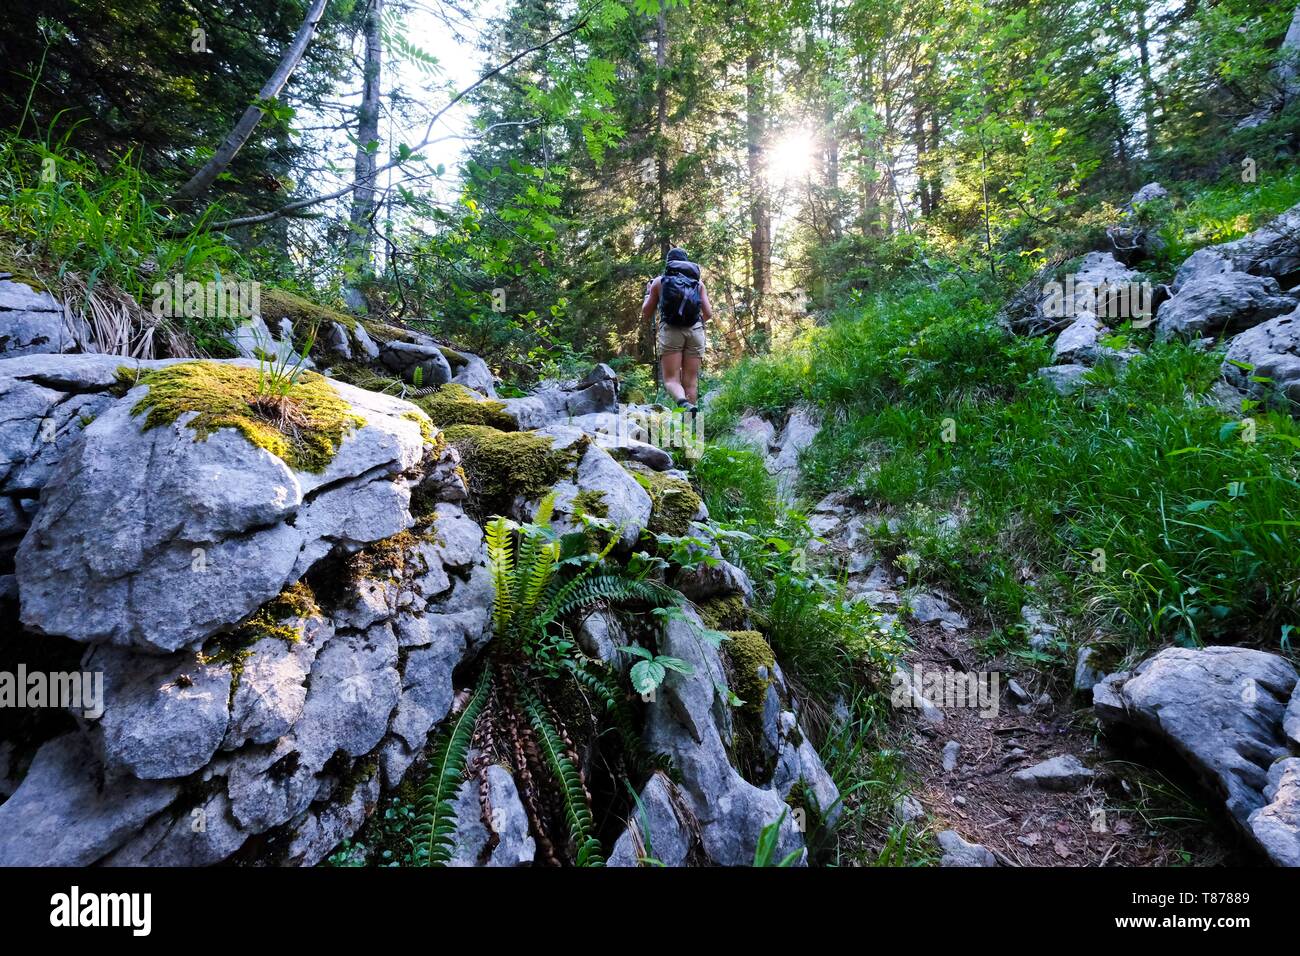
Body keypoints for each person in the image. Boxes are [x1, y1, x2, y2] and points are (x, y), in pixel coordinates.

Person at [641, 247, 712, 413]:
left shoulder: (660, 282)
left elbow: (646, 312)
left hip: (671, 331)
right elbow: (708, 313)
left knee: (672, 380)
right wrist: (696, 324)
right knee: (691, 382)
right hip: (695, 331)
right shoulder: (698, 284)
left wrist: (648, 292)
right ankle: (692, 428)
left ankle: (683, 403)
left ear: (669, 263)